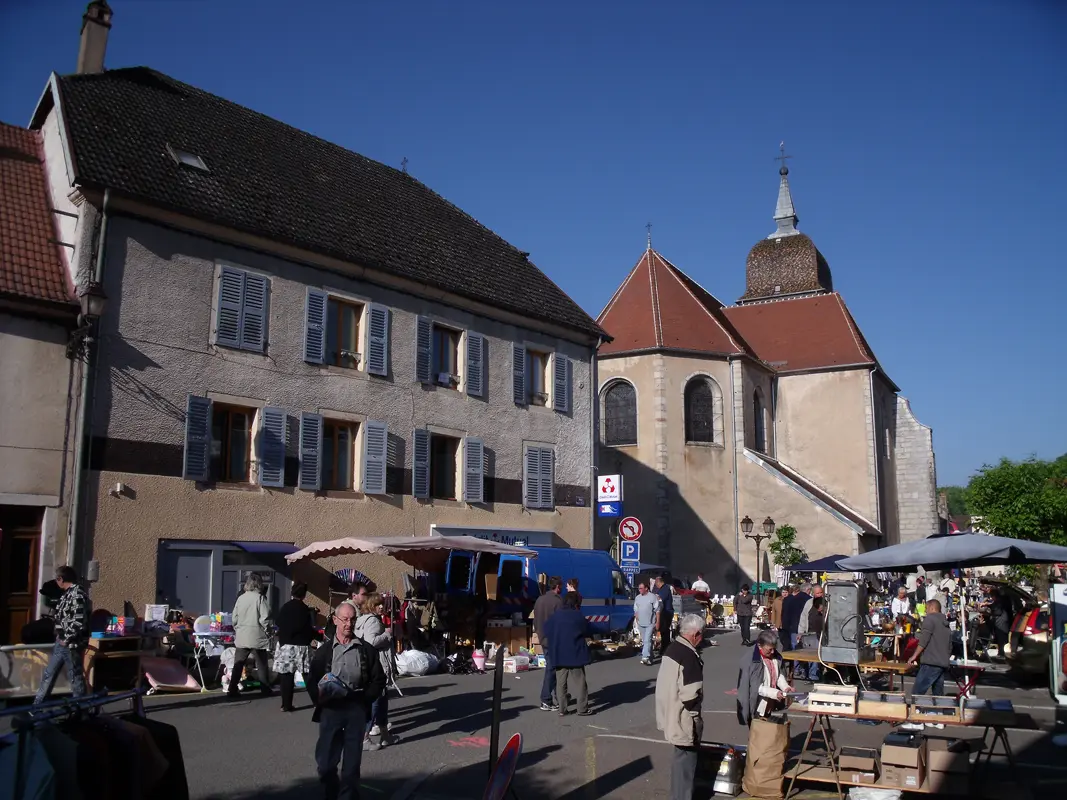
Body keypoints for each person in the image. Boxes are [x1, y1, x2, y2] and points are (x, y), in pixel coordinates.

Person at [309, 600, 387, 800]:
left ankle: (348, 797)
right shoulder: (324, 651)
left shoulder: (366, 650)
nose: (348, 624)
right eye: (344, 619)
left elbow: (379, 679)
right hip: (331, 710)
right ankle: (331, 792)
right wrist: (319, 699)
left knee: (351, 767)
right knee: (325, 764)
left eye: (352, 620)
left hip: (355, 709)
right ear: (335, 620)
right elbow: (312, 680)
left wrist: (365, 700)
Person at [655, 614, 706, 800]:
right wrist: (696, 717)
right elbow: (690, 693)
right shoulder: (688, 656)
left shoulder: (672, 649)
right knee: (686, 763)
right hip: (683, 717)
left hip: (670, 711)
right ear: (695, 634)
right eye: (702, 634)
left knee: (679, 762)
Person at [737, 630, 793, 799]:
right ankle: (755, 777)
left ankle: (766, 776)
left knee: (768, 745)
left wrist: (785, 687)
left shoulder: (775, 657)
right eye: (769, 649)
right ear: (759, 646)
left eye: (774, 648)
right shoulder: (751, 661)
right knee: (758, 745)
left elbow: (779, 675)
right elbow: (755, 688)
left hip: (771, 704)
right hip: (757, 706)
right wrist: (775, 693)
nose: (772, 652)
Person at [33, 566, 89, 704]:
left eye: (57, 579)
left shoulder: (77, 594)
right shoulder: (66, 594)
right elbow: (63, 616)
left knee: (75, 677)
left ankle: (80, 708)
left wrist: (67, 638)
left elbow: (78, 621)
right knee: (49, 674)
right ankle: (37, 707)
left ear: (61, 579)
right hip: (62, 641)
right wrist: (59, 635)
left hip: (70, 644)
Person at [353, 592, 399, 750]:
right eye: (378, 604)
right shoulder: (372, 621)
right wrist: (386, 635)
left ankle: (385, 735)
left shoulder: (363, 620)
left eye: (382, 604)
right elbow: (371, 642)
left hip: (371, 665)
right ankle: (365, 736)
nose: (381, 607)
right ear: (371, 606)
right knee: (376, 701)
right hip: (377, 665)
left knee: (382, 700)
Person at [274, 582, 322, 712]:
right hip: (302, 646)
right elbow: (310, 629)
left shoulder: (285, 607)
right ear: (304, 595)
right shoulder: (305, 609)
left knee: (286, 676)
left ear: (292, 592)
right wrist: (319, 637)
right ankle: (317, 702)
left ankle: (286, 705)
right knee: (308, 676)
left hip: (286, 646)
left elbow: (278, 622)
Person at [544, 593, 592, 716]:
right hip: (575, 652)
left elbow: (546, 630)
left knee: (561, 683)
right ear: (575, 603)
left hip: (559, 653)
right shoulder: (578, 615)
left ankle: (562, 709)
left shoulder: (555, 616)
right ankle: (582, 708)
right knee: (580, 682)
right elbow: (586, 630)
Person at [228, 572, 274, 698]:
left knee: (238, 664)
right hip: (257, 635)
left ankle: (232, 688)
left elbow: (234, 618)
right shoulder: (260, 598)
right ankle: (265, 689)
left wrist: (238, 628)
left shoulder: (241, 598)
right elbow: (265, 618)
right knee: (261, 664)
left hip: (242, 635)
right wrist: (268, 630)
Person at [534, 576, 564, 711]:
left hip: (543, 638)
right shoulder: (558, 601)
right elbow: (561, 622)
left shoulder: (540, 600)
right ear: (557, 587)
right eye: (561, 586)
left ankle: (558, 697)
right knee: (552, 669)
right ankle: (546, 699)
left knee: (553, 667)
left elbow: (536, 620)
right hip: (554, 639)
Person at [633, 580, 661, 665]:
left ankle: (645, 657)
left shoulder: (652, 597)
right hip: (641, 623)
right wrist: (636, 617)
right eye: (639, 588)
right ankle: (650, 656)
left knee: (647, 640)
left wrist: (658, 622)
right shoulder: (638, 597)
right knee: (646, 641)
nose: (640, 590)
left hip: (650, 622)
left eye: (641, 588)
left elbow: (657, 610)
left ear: (646, 588)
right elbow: (635, 609)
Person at [655, 574, 675, 659]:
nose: (656, 586)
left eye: (656, 584)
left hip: (666, 612)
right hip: (665, 612)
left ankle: (665, 649)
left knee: (664, 631)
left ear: (658, 582)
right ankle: (664, 649)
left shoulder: (665, 589)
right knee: (663, 631)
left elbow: (660, 599)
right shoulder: (663, 589)